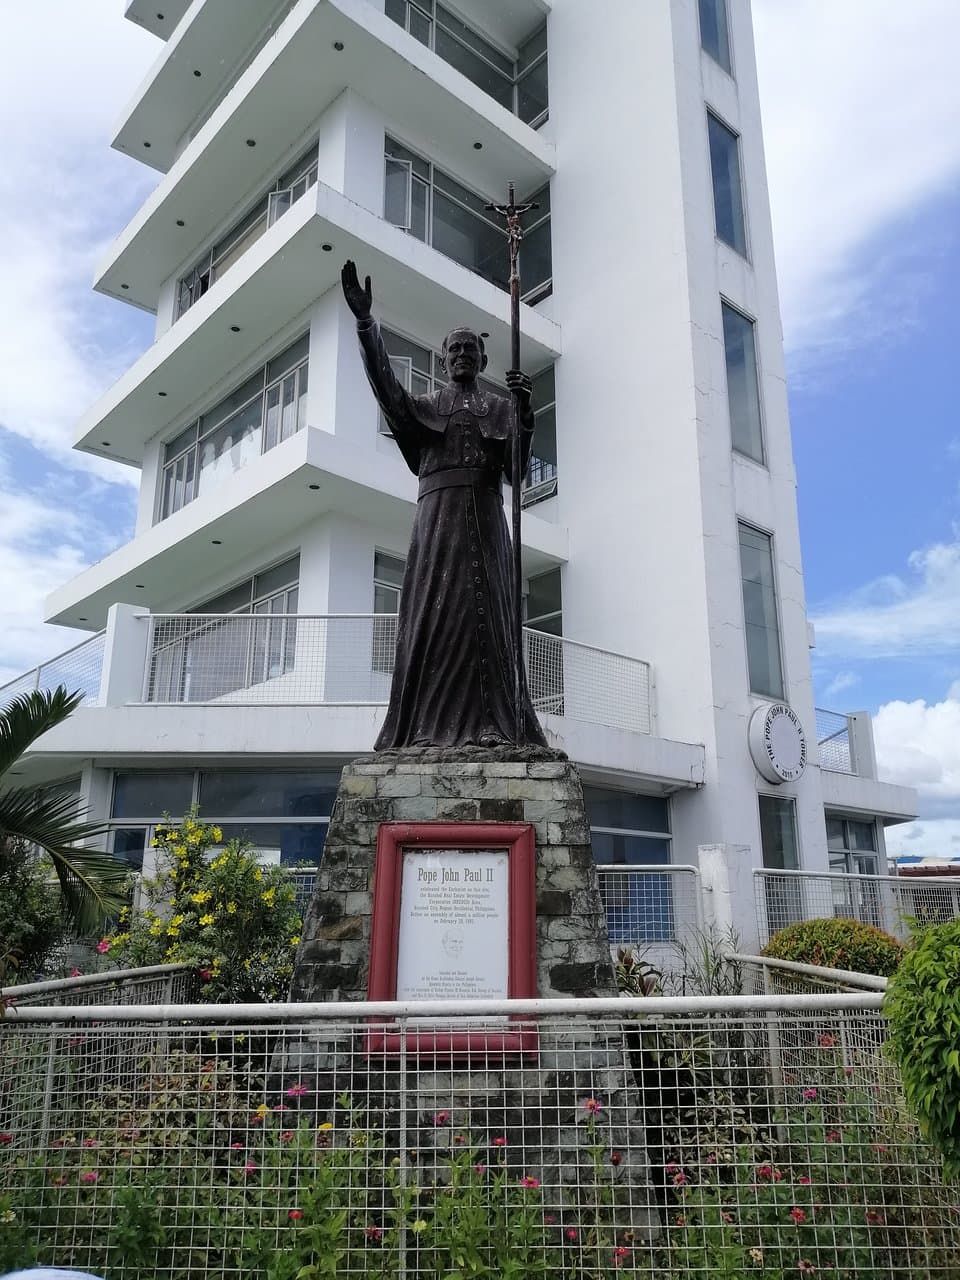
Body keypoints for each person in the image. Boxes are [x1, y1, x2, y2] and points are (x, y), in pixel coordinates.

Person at [341, 260, 548, 750]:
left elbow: (516, 473)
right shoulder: (427, 406)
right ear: (442, 361)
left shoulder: (499, 409)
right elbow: (387, 391)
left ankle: (495, 725)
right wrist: (367, 325)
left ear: (481, 359)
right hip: (437, 525)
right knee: (433, 621)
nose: (461, 355)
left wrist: (525, 416)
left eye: (469, 349)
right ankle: (424, 729)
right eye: (453, 349)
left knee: (487, 622)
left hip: (487, 521)